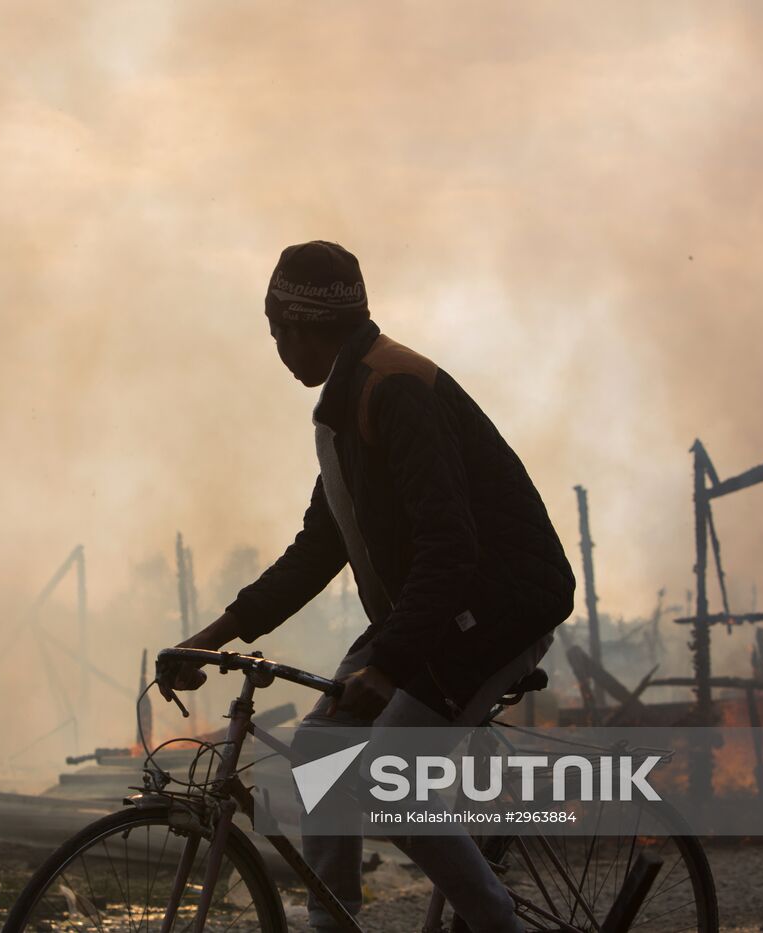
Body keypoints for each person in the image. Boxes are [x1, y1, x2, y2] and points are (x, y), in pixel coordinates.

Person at [163, 241, 575, 933]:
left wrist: (387, 665)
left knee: (388, 786)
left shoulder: (394, 388)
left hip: (497, 607)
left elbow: (451, 546)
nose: (278, 351)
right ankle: (336, 921)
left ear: (297, 325)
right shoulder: (345, 406)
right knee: (323, 750)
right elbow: (317, 549)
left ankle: (499, 923)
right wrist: (208, 639)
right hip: (435, 608)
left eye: (275, 333)